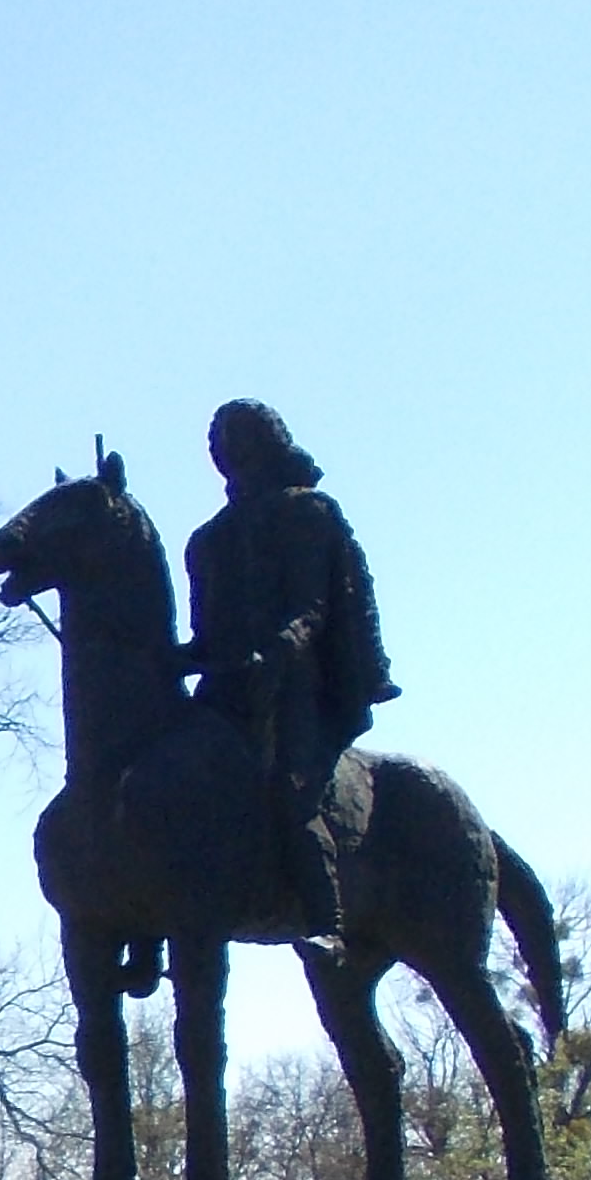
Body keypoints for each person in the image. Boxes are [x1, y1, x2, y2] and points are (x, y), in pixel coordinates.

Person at [180, 397, 393, 960]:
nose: (229, 450)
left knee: (290, 789)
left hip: (294, 686)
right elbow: (205, 634)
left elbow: (312, 606)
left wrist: (278, 648)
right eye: (220, 442)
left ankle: (327, 918)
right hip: (224, 691)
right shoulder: (208, 540)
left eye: (239, 437)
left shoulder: (307, 513)